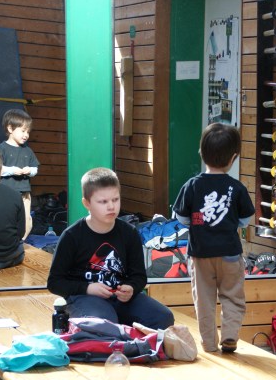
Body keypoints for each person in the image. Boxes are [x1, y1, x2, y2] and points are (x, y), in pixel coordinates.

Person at [47, 167, 174, 330]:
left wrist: (131, 288)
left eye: (115, 200)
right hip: (84, 298)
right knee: (104, 323)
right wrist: (87, 288)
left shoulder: (129, 233)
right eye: (103, 202)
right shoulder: (72, 236)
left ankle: (127, 337)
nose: (111, 207)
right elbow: (55, 282)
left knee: (163, 317)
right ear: (86, 203)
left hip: (121, 300)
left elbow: (139, 276)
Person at [173, 123, 255, 353]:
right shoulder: (237, 188)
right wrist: (230, 224)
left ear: (201, 153)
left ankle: (209, 344)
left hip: (200, 254)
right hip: (230, 253)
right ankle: (229, 335)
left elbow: (181, 217)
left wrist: (198, 224)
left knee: (204, 301)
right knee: (233, 297)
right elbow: (246, 219)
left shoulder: (192, 185)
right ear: (234, 157)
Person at [0, 109, 39, 240]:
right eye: (23, 131)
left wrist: (30, 170)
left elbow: (35, 169)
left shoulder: (28, 150)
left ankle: (21, 241)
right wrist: (12, 170)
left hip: (24, 194)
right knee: (7, 218)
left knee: (26, 219)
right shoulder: (2, 148)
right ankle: (5, 241)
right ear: (10, 128)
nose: (26, 135)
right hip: (6, 193)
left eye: (28, 132)